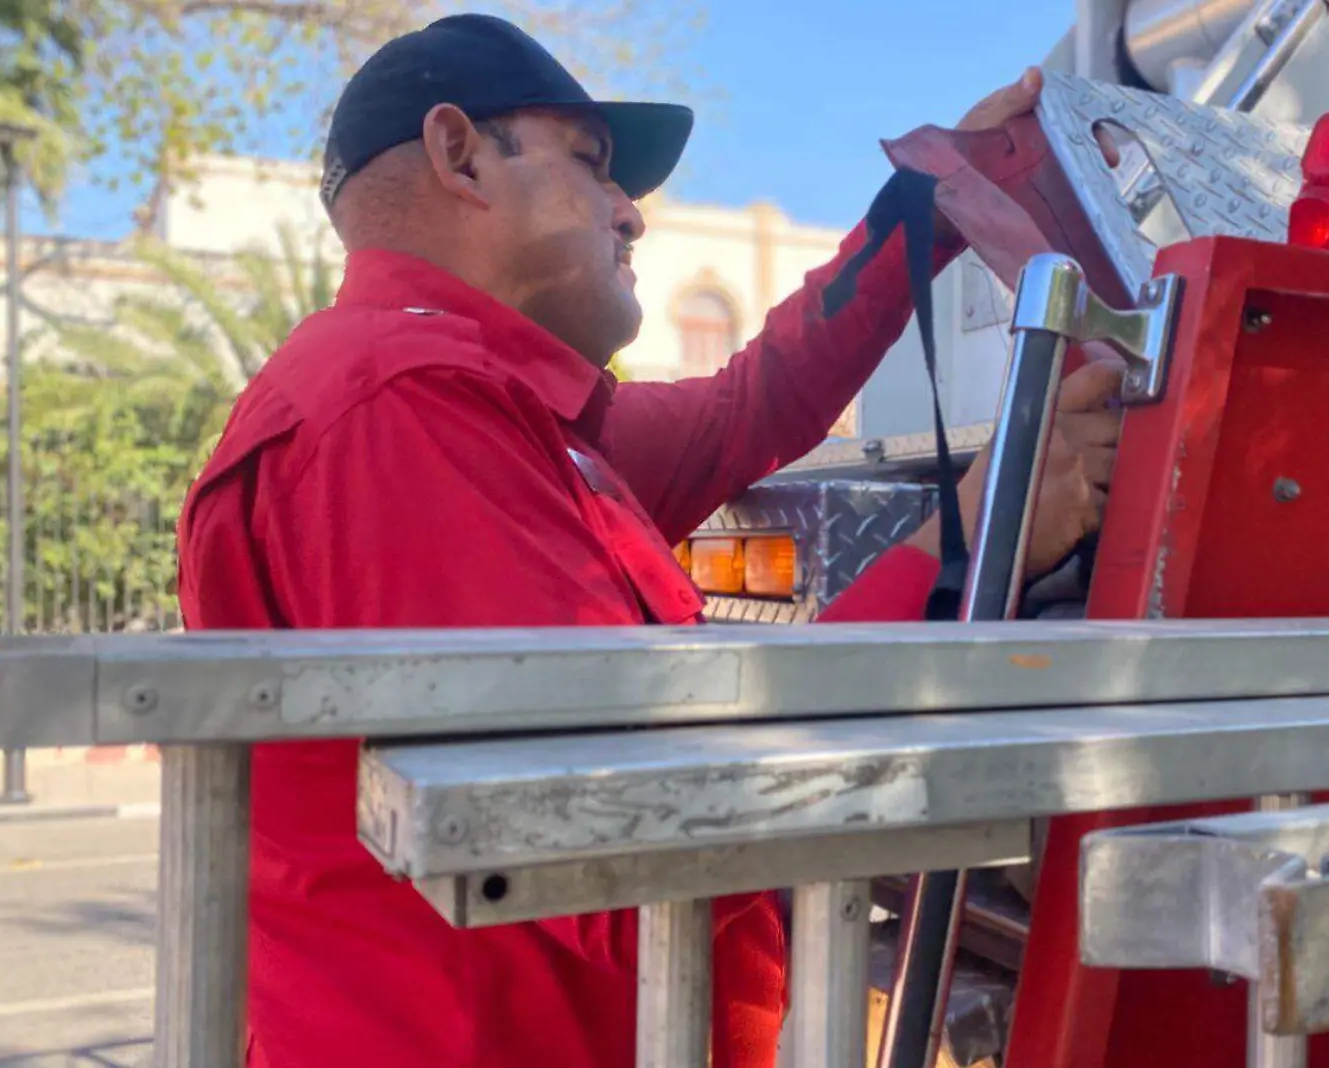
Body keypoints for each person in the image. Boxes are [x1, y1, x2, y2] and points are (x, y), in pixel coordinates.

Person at [176, 13, 1124, 1068]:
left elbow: (750, 404)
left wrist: (929, 200)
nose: (630, 215)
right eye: (591, 165)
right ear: (459, 156)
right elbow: (636, 836)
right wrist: (975, 545)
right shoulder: (398, 418)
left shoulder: (501, 411)